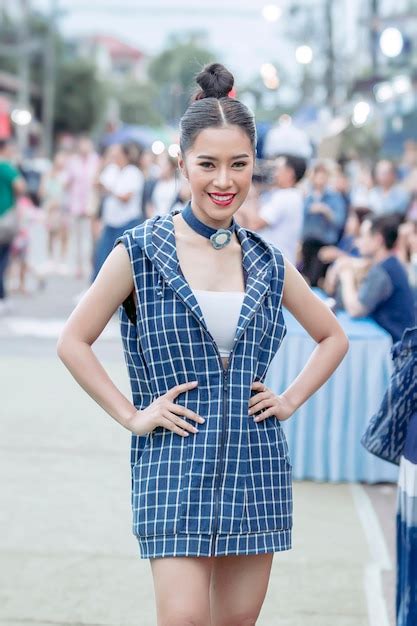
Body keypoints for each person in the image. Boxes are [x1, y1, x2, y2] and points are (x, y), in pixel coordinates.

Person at [57, 62, 349, 624]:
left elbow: (332, 336)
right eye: (208, 164)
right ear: (183, 162)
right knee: (184, 620)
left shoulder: (268, 261)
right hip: (173, 463)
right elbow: (74, 340)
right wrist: (132, 415)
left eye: (239, 165)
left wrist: (288, 400)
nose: (224, 181)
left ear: (254, 166)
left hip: (255, 465)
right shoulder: (140, 251)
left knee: (235, 622)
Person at [336, 213, 415, 342]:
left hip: (396, 350)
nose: (358, 242)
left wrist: (346, 275)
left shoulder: (383, 271)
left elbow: (355, 309)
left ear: (378, 239)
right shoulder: (390, 264)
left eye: (363, 236)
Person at [238, 154, 307, 265]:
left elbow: (254, 224)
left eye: (278, 169)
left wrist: (249, 194)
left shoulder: (285, 196)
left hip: (272, 263)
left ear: (290, 173)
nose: (274, 173)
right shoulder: (290, 195)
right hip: (277, 262)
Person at [91, 142, 144, 282]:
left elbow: (126, 197)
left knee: (123, 263)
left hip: (127, 223)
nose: (114, 157)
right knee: (101, 258)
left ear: (125, 155)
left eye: (117, 154)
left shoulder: (134, 173)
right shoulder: (111, 170)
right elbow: (96, 184)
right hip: (110, 222)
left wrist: (109, 189)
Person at [301, 161, 347, 286]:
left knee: (315, 278)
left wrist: (326, 212)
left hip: (324, 242)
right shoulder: (307, 195)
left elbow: (339, 221)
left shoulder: (334, 197)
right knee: (304, 276)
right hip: (307, 241)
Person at [66, 136, 100, 278]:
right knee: (77, 237)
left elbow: (98, 180)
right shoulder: (73, 161)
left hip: (90, 203)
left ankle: (89, 265)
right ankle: (78, 266)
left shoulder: (96, 160)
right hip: (76, 203)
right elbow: (67, 181)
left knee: (89, 236)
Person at [0, 139, 26, 314]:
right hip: (5, 217)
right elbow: (20, 186)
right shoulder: (6, 166)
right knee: (3, 259)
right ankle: (2, 297)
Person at [39, 151, 71, 273]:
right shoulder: (47, 175)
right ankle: (51, 259)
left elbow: (67, 192)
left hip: (62, 208)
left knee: (64, 234)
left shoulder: (66, 175)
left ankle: (62, 260)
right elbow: (42, 191)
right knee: (50, 234)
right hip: (50, 209)